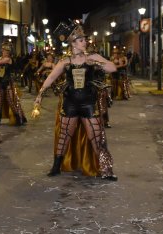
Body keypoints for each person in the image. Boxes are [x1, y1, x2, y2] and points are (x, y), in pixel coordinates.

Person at [32, 22, 118, 180]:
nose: (85, 42)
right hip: (70, 103)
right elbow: (51, 77)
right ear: (72, 43)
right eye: (81, 40)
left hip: (89, 103)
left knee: (96, 137)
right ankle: (56, 166)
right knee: (64, 135)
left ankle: (106, 170)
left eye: (84, 39)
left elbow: (113, 68)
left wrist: (98, 63)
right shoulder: (65, 61)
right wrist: (40, 95)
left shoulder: (92, 57)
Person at [0, 41, 27, 126]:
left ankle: (18, 118)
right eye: (3, 51)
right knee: (0, 101)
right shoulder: (1, 59)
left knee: (10, 101)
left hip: (8, 82)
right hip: (0, 81)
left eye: (5, 51)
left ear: (8, 52)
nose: (3, 52)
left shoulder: (8, 59)